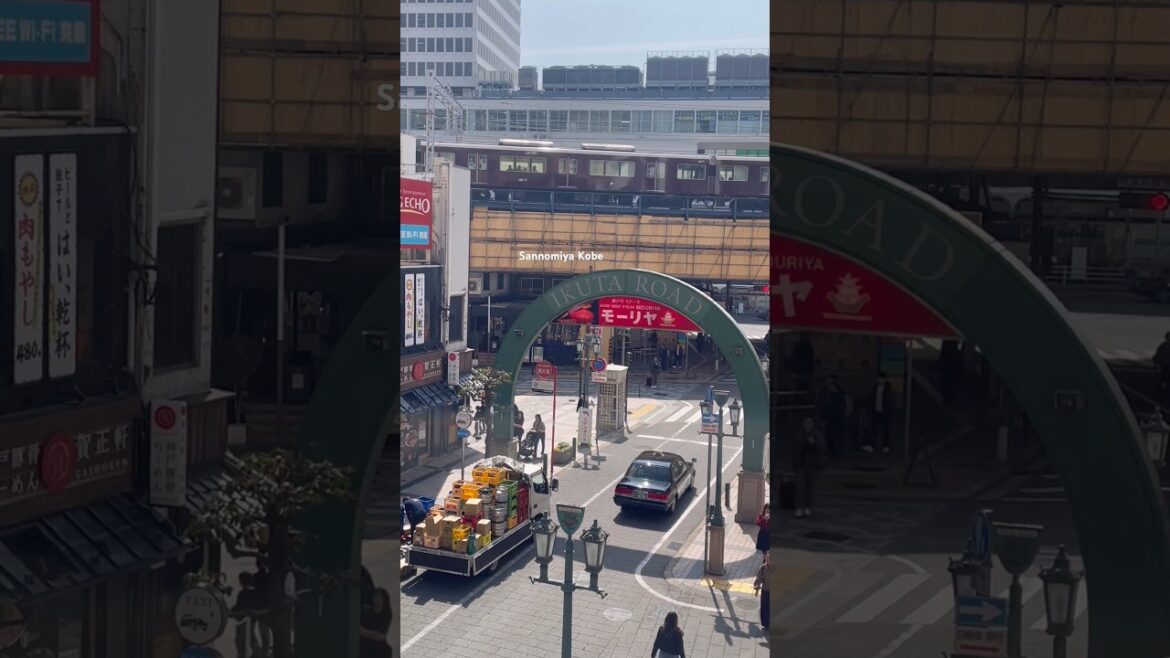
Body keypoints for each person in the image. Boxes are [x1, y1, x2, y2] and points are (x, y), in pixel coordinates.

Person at [792, 416, 827, 518]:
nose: (808, 425)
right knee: (800, 486)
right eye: (806, 422)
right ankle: (799, 506)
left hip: (812, 465)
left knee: (810, 486)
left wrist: (813, 444)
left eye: (810, 422)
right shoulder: (798, 435)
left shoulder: (817, 435)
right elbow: (794, 450)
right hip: (801, 464)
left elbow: (821, 449)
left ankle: (807, 506)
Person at [818, 376, 850, 460]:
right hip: (828, 418)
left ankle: (836, 454)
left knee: (837, 437)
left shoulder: (840, 393)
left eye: (831, 382)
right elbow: (820, 405)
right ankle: (829, 453)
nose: (829, 384)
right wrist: (822, 417)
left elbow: (843, 405)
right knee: (828, 436)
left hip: (838, 418)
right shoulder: (824, 392)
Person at [232, 572, 264, 657]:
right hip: (253, 619)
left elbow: (238, 606)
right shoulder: (256, 593)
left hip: (242, 619)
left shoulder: (242, 593)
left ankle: (246, 654)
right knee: (251, 637)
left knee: (240, 640)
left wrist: (231, 612)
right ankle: (257, 654)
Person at [863, 374, 894, 454]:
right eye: (878, 379)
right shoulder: (875, 388)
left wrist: (888, 410)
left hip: (884, 412)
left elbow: (889, 400)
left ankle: (886, 446)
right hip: (876, 411)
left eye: (880, 379)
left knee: (885, 429)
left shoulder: (887, 389)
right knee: (874, 429)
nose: (878, 380)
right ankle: (872, 445)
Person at [754, 552, 771, 633]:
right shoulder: (763, 568)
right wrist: (756, 586)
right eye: (767, 558)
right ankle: (766, 624)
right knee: (764, 608)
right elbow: (759, 578)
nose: (769, 560)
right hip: (765, 591)